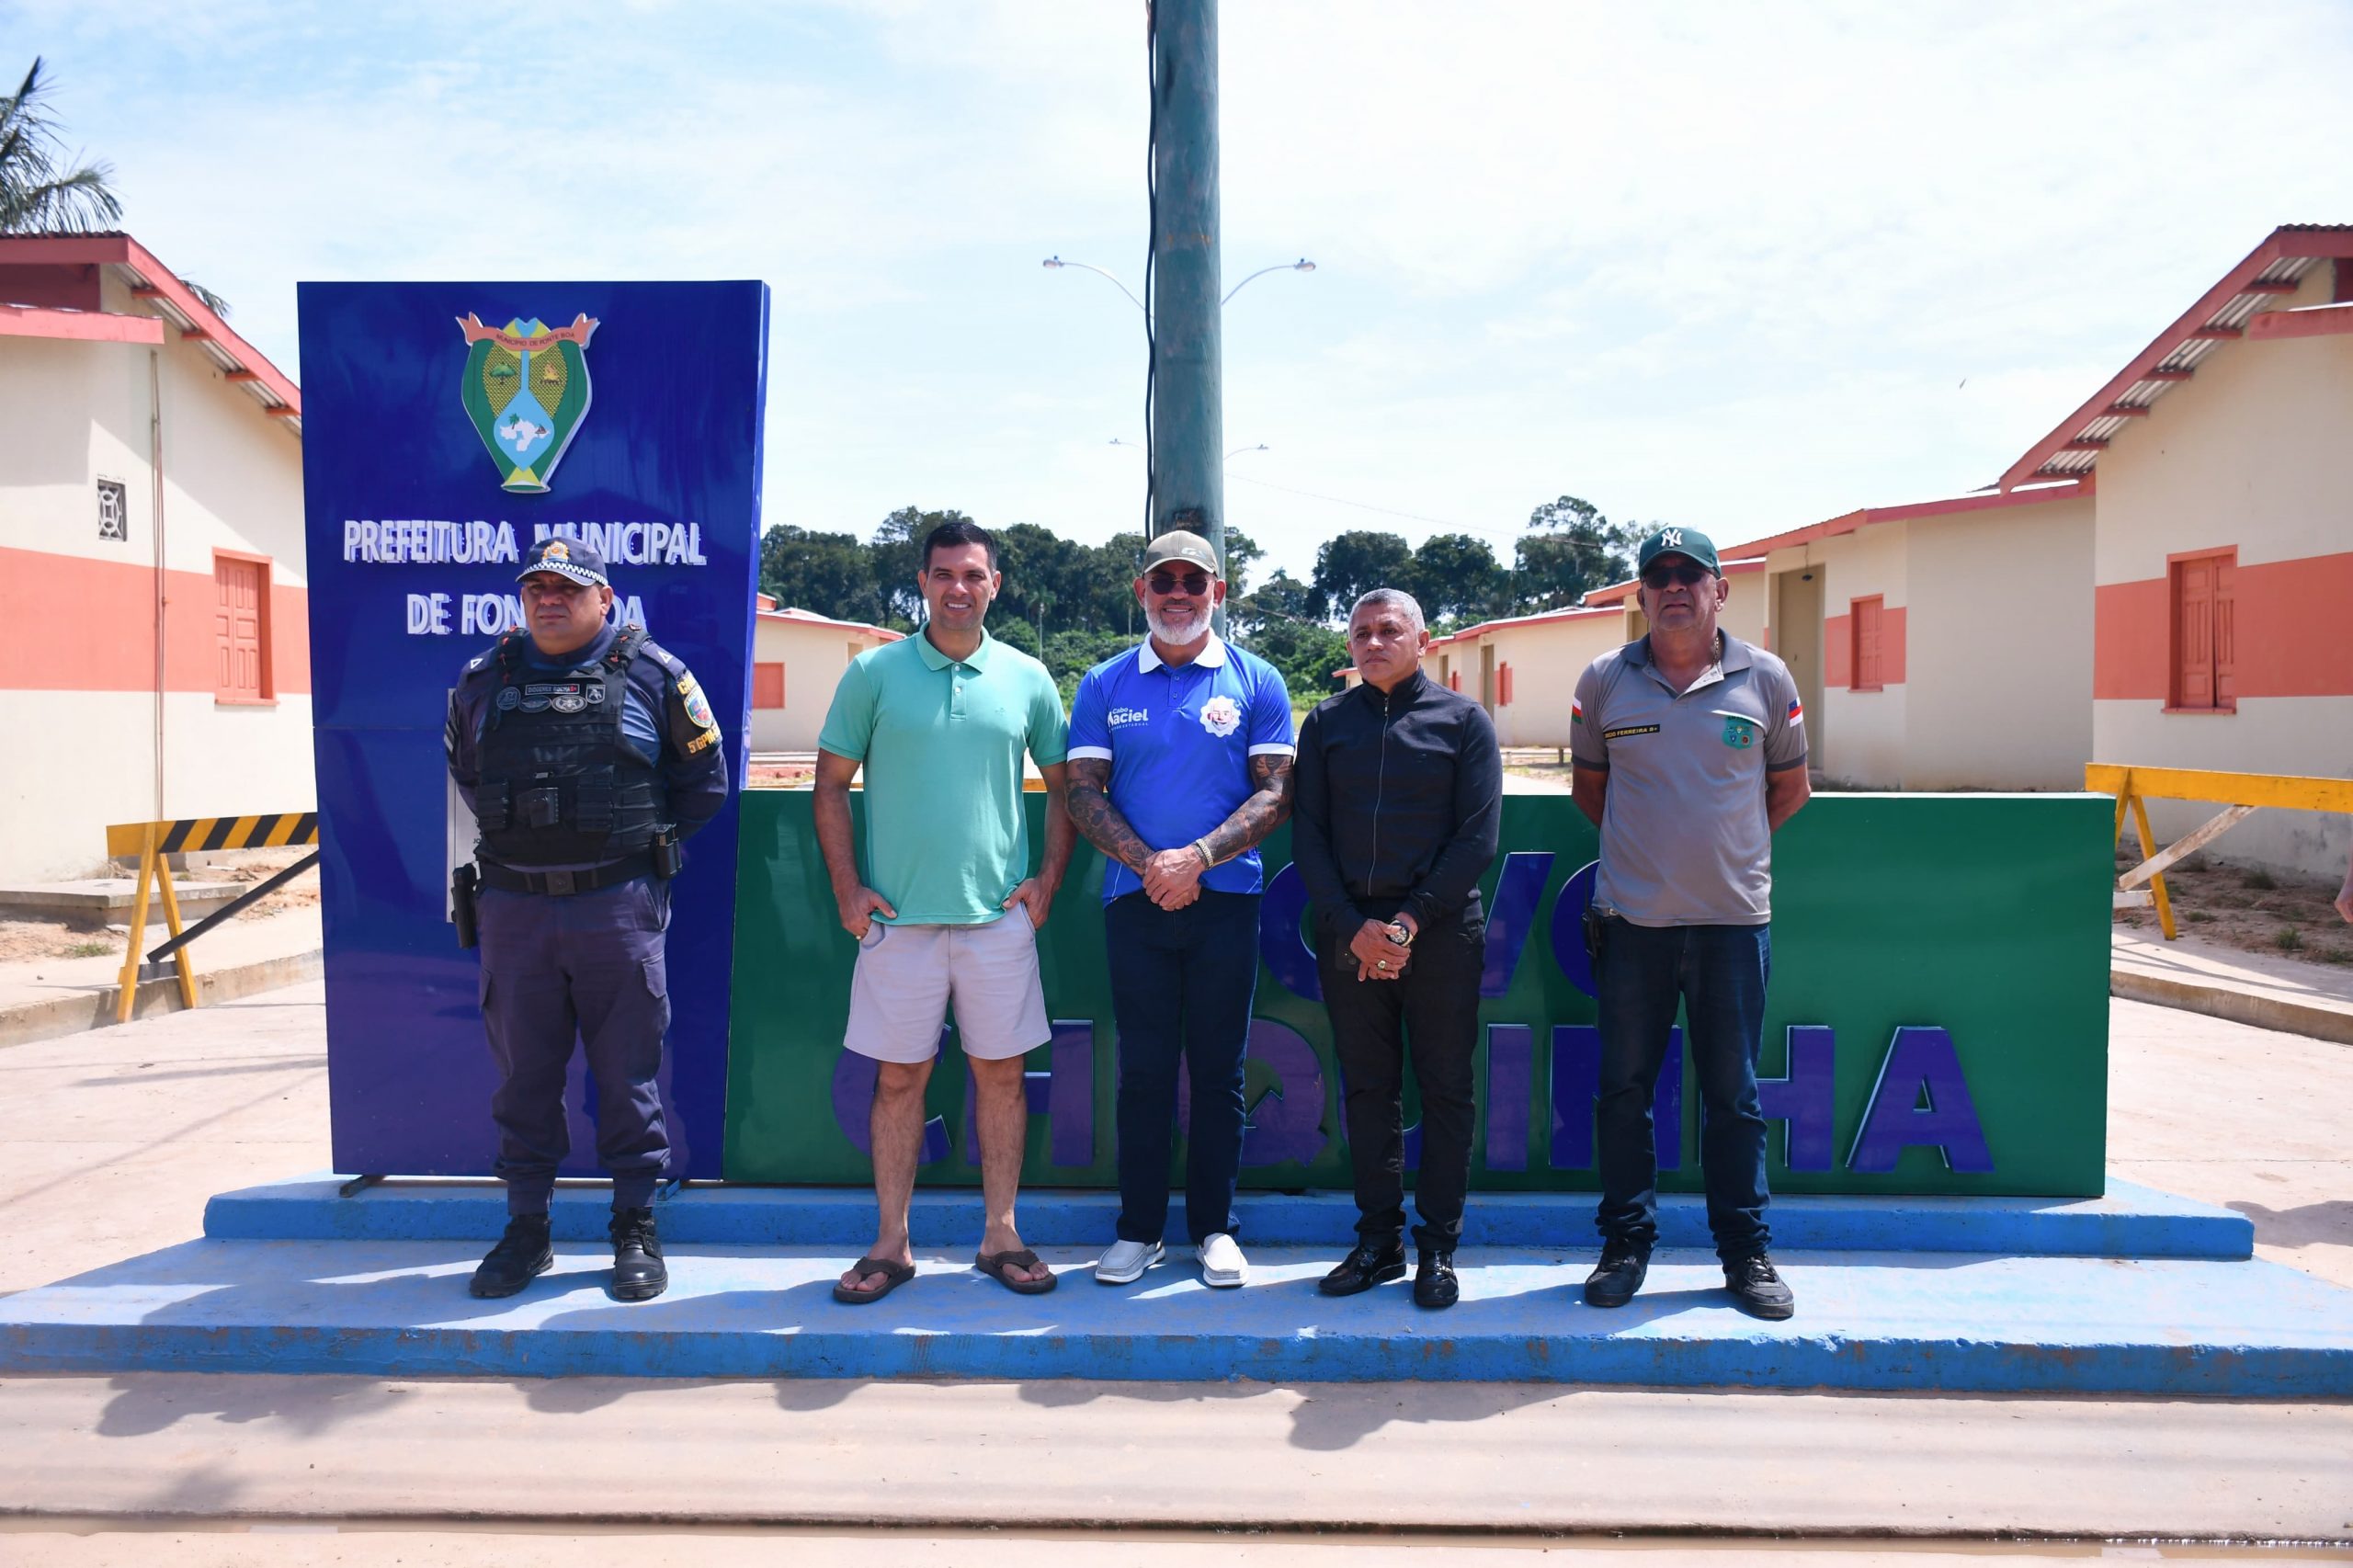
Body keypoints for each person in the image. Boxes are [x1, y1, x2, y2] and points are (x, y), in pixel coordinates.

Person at [445, 537, 729, 1302]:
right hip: (514, 910)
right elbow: (468, 775)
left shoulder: (654, 675)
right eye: (536, 587)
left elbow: (703, 784)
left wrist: (624, 853)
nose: (550, 599)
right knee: (524, 1078)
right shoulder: (480, 682)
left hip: (617, 906)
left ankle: (634, 1225)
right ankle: (527, 1229)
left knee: (628, 1075)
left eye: (568, 589)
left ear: (605, 598)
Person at [815, 518, 1074, 1303]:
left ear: (995, 585)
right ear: (921, 584)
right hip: (898, 924)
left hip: (999, 922)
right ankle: (891, 1243)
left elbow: (1067, 790)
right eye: (942, 574)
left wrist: (1047, 881)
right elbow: (829, 786)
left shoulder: (1029, 678)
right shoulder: (875, 674)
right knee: (900, 1082)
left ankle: (1001, 1234)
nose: (958, 588)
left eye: (973, 575)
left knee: (1001, 1079)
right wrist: (846, 890)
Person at [1570, 526, 1812, 1320]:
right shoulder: (1605, 680)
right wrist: (1654, 865)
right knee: (1622, 1093)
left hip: (1733, 925)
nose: (1673, 586)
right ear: (1641, 593)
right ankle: (1625, 1246)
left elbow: (1790, 789)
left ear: (1720, 589)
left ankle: (1745, 1254)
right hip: (1632, 924)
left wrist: (1721, 857)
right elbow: (1591, 792)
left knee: (1734, 1098)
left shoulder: (1768, 678)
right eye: (1657, 575)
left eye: (1689, 574)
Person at [1065, 530, 1295, 1290]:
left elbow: (1275, 792)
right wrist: (1152, 867)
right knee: (1145, 1072)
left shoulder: (1255, 678)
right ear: (1142, 592)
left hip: (1226, 901)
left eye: (1194, 583)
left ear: (1217, 595)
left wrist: (1195, 860)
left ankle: (1214, 1229)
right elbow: (1082, 794)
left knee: (1220, 1070)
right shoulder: (1103, 683)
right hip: (1134, 904)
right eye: (1163, 580)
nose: (1178, 594)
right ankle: (1139, 1231)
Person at [1291, 588, 1501, 1310]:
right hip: (1349, 933)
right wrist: (1354, 926)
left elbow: (1476, 840)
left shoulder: (1464, 722)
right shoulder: (1325, 725)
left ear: (1422, 640)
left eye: (1389, 631)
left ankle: (1437, 1249)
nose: (1374, 642)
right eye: (1361, 633)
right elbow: (1309, 837)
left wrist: (1407, 925)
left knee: (1445, 1090)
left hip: (1440, 934)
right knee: (1368, 1090)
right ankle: (1378, 1242)